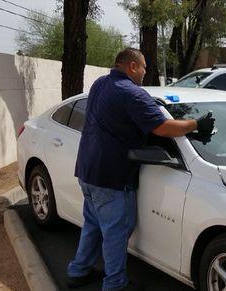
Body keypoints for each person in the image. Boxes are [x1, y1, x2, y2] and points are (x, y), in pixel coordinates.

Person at [66, 48, 215, 291]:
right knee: (116, 231)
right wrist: (197, 123)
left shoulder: (100, 84)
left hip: (88, 170)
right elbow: (163, 128)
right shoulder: (131, 93)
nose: (146, 72)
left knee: (93, 224)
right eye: (144, 67)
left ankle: (78, 271)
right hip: (112, 177)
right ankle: (114, 284)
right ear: (132, 66)